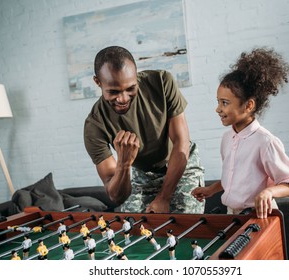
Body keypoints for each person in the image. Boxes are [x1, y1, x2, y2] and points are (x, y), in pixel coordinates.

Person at [84, 46, 205, 214]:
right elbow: (116, 196)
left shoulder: (162, 82)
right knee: (132, 227)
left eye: (130, 88)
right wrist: (124, 164)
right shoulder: (95, 125)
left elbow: (181, 142)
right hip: (143, 174)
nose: (123, 98)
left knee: (185, 221)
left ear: (135, 75)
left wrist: (164, 198)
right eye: (113, 92)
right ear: (98, 82)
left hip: (180, 163)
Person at [191, 47, 289, 219]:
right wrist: (210, 190)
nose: (218, 109)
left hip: (259, 217)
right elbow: (234, 177)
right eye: (218, 102)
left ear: (249, 105)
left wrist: (268, 192)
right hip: (232, 216)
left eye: (225, 103)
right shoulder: (227, 138)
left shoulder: (265, 142)